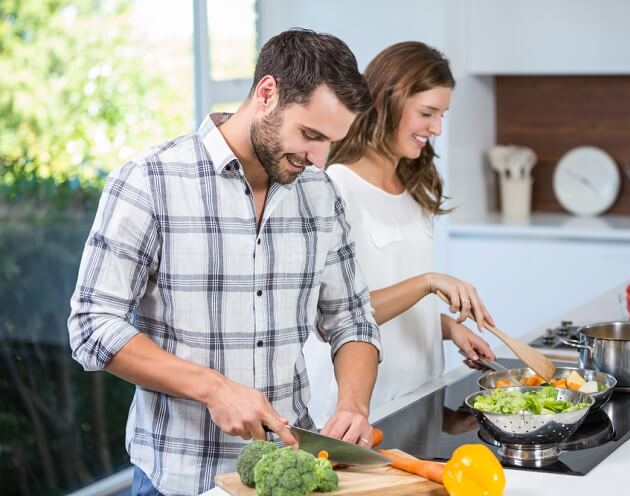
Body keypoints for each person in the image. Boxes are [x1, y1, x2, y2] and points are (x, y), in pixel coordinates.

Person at [67, 29, 382, 496]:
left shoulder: (320, 193)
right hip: (178, 478)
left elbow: (352, 318)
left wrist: (354, 404)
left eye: (330, 142)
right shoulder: (150, 181)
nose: (319, 159)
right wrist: (213, 388)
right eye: (311, 135)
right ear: (267, 93)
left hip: (291, 472)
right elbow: (92, 325)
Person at [304, 42, 496, 427]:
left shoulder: (412, 184)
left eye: (442, 114)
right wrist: (428, 282)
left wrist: (445, 327)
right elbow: (331, 316)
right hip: (361, 411)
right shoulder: (334, 187)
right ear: (387, 102)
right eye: (427, 113)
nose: (437, 128)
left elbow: (394, 293)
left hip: (421, 395)